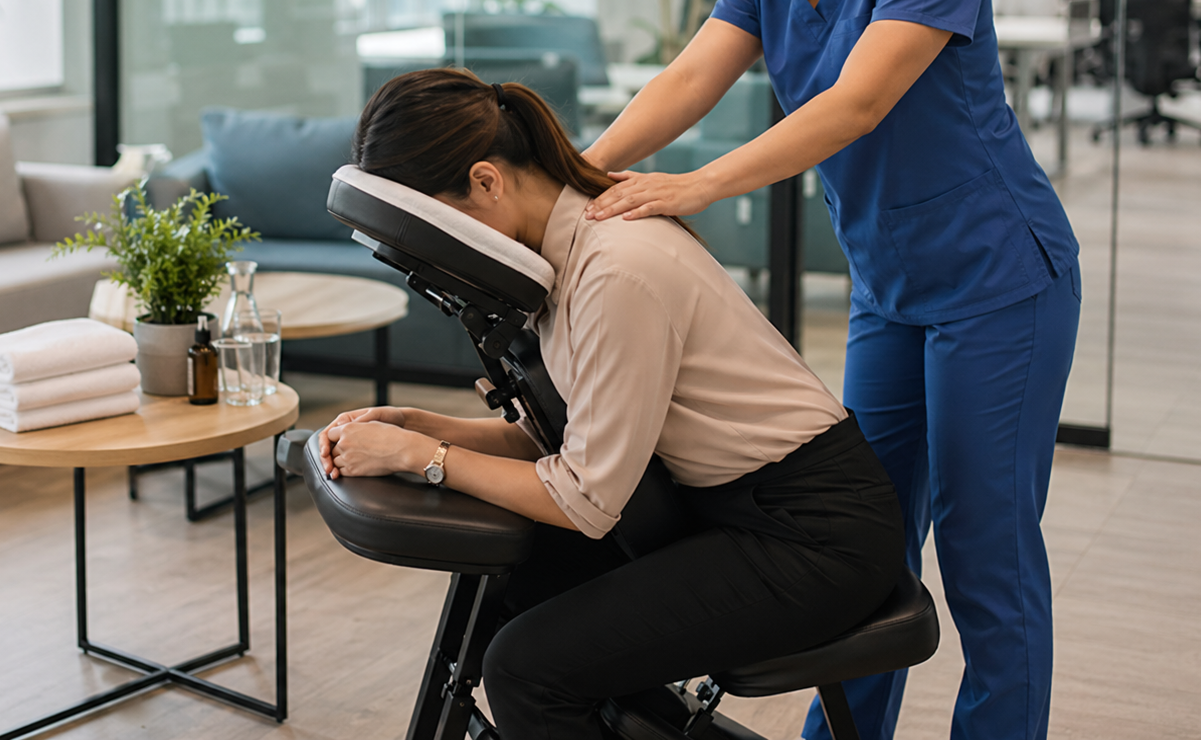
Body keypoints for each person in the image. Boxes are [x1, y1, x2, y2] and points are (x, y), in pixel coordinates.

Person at [579, 0, 1081, 740]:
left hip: (997, 279)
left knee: (983, 547)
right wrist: (574, 178)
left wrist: (697, 185)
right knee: (863, 542)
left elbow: (857, 102)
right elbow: (688, 79)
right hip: (889, 289)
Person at [320, 68, 906, 740]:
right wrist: (418, 428)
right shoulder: (560, 256)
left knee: (526, 672)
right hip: (720, 507)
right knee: (513, 587)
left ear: (486, 181)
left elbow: (585, 498)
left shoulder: (616, 268)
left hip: (812, 537)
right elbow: (577, 435)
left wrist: (425, 457)